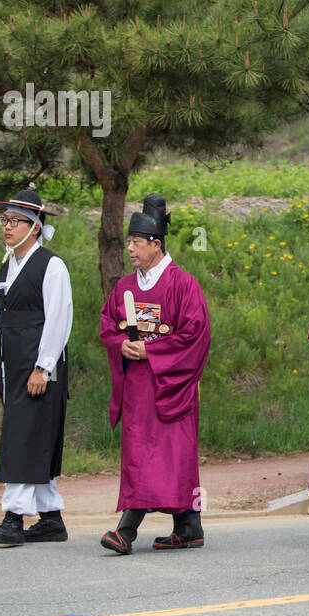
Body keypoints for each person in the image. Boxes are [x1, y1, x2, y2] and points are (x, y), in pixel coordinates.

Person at [0, 185, 72, 546]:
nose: (7, 227)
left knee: (23, 438)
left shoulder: (52, 266)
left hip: (40, 368)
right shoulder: (6, 266)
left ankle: (13, 517)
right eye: (5, 220)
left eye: (16, 221)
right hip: (15, 365)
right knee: (33, 438)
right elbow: (3, 320)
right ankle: (52, 518)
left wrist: (44, 367)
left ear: (35, 226)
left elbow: (59, 319)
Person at [99, 195, 211, 554]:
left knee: (168, 455)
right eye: (128, 241)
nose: (129, 248)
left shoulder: (183, 285)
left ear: (155, 244)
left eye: (136, 242)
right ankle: (189, 526)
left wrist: (150, 349)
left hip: (169, 386)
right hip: (137, 389)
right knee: (141, 454)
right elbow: (107, 322)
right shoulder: (124, 287)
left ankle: (126, 530)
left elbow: (195, 335)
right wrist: (122, 344)